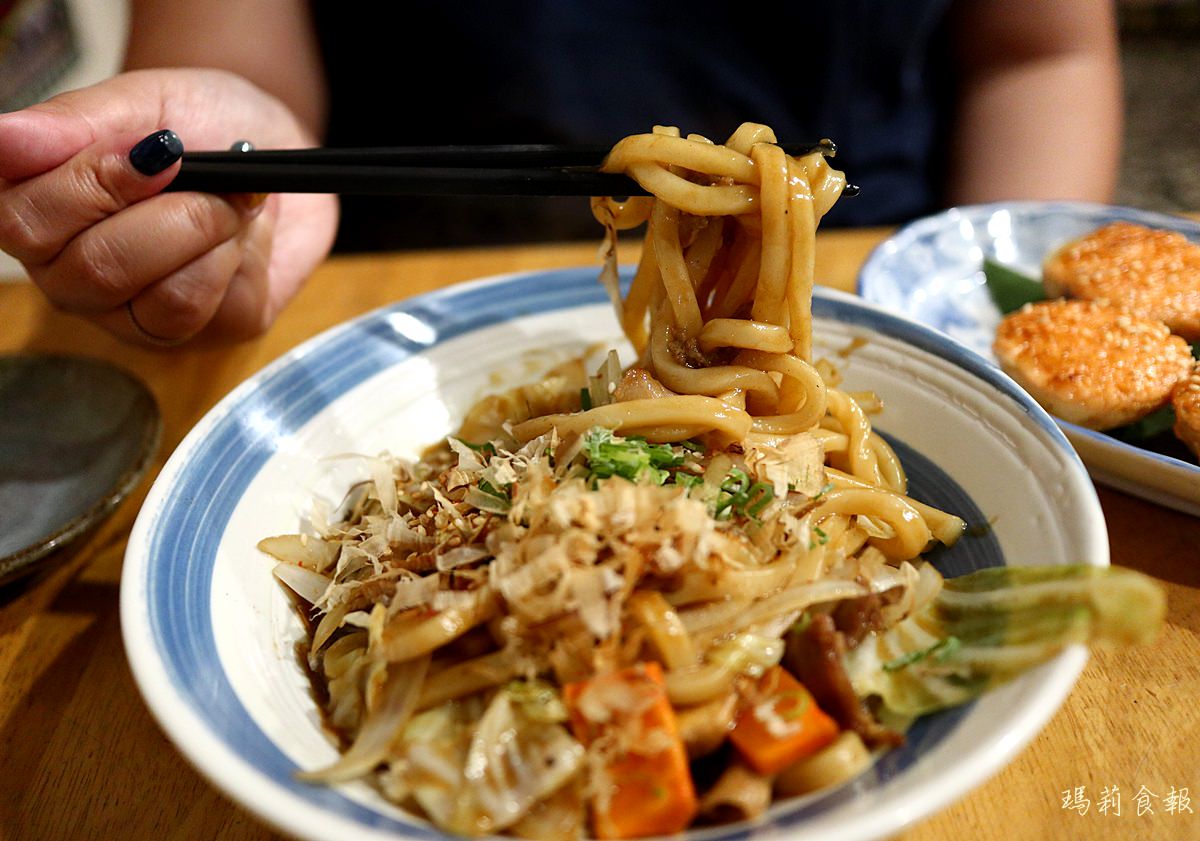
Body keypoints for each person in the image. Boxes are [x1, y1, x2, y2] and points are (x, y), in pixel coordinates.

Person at [0, 0, 1122, 347]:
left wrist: (978, 309)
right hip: (385, 297)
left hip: (871, 285)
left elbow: (1041, 52)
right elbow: (238, 57)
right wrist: (237, 169)